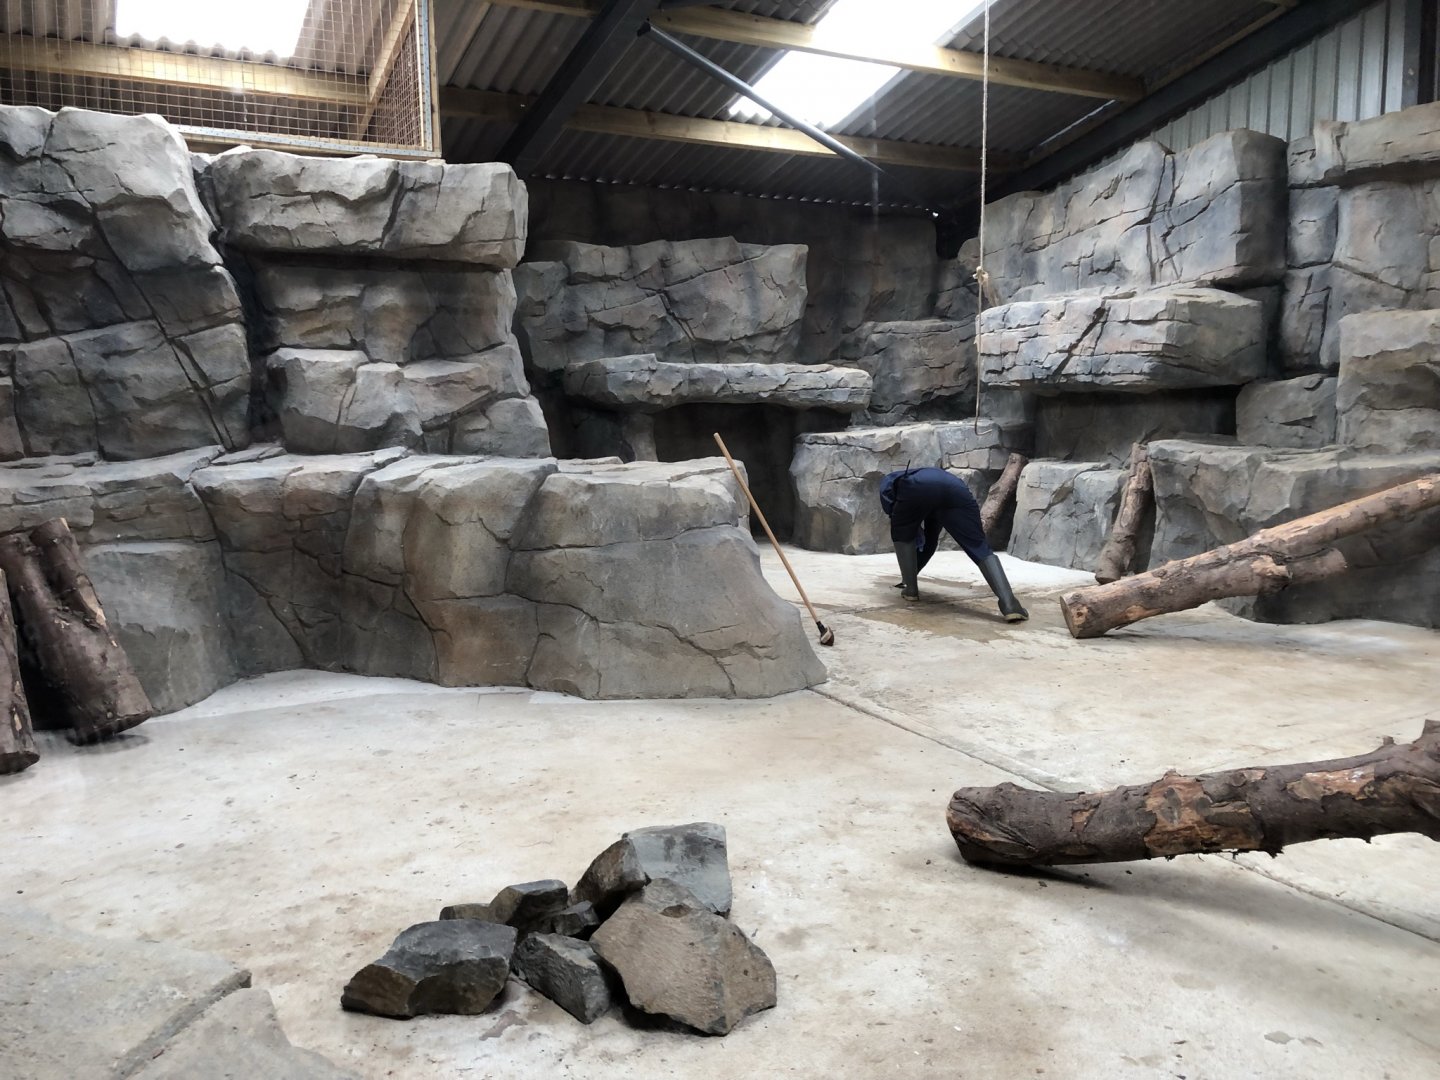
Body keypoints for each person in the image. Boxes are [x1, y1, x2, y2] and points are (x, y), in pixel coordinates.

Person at [879, 467, 1028, 622]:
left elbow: (899, 523)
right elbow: (930, 542)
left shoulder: (891, 481)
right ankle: (1010, 604)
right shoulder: (926, 476)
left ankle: (910, 590)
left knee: (902, 534)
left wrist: (908, 577)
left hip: (917, 488)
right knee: (979, 546)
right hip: (955, 489)